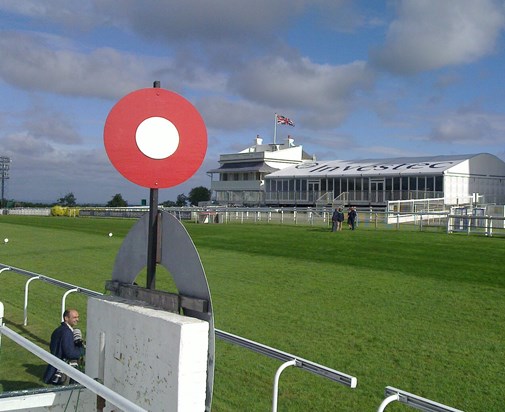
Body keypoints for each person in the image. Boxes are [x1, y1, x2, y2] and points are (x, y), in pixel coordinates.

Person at [43, 309, 85, 385]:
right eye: (74, 317)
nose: (77, 319)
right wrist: (82, 350)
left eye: (77, 317)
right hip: (63, 370)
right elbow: (70, 353)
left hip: (54, 366)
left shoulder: (58, 330)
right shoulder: (67, 332)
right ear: (66, 318)